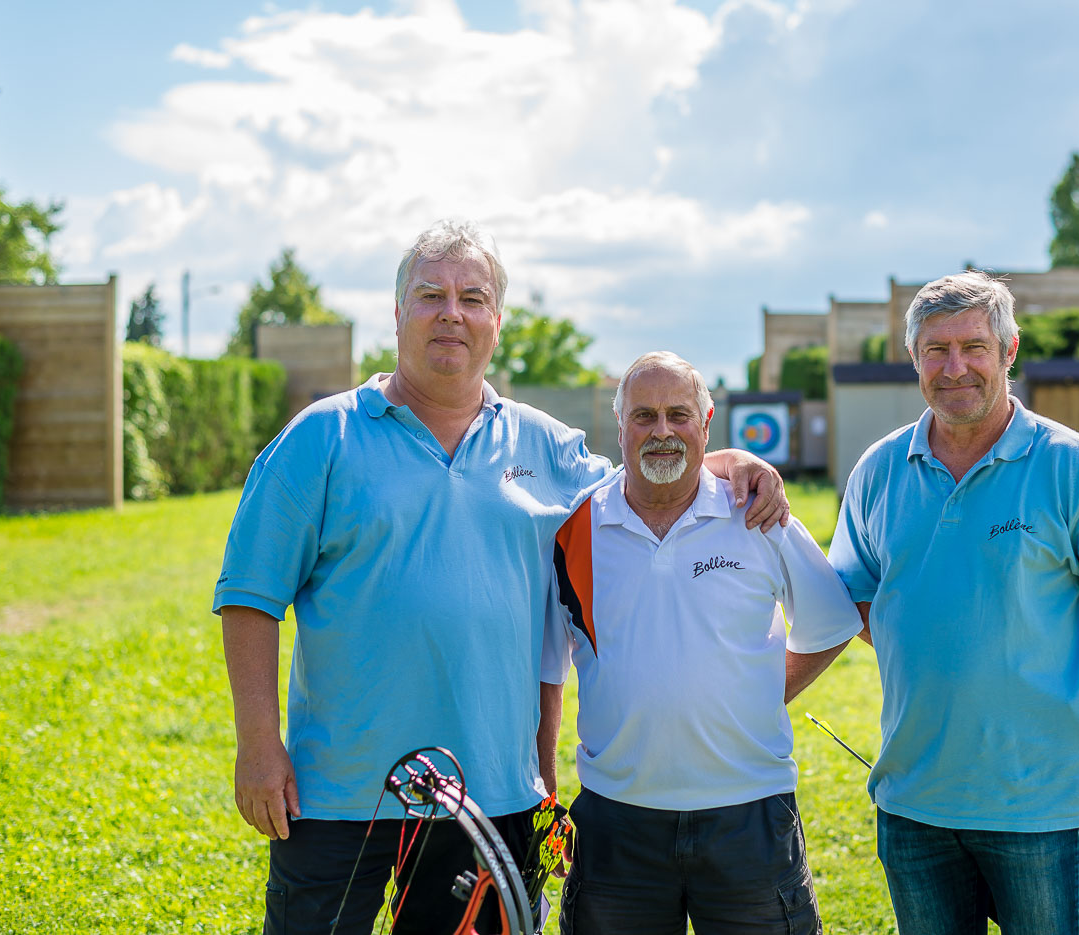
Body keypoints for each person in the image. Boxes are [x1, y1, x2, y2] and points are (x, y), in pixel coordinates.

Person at [214, 221, 788, 935]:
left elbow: (645, 483)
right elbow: (249, 595)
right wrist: (259, 745)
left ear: (496, 321)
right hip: (338, 793)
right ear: (398, 316)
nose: (451, 312)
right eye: (430, 295)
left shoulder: (548, 447)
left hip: (490, 795)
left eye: (472, 296)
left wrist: (724, 460)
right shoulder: (320, 439)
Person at [828, 271, 1079, 935]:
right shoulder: (877, 470)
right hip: (913, 802)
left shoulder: (1074, 465)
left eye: (974, 346)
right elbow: (855, 600)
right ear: (913, 359)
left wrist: (1053, 676)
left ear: (1009, 350)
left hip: (1038, 806)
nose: (955, 367)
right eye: (935, 349)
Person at [546, 352, 863, 935]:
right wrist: (546, 796)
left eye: (678, 415)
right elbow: (547, 672)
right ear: (618, 428)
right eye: (644, 416)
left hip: (749, 814)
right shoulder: (577, 528)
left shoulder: (757, 513)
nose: (662, 431)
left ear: (707, 421)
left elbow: (831, 624)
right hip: (617, 820)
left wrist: (759, 696)